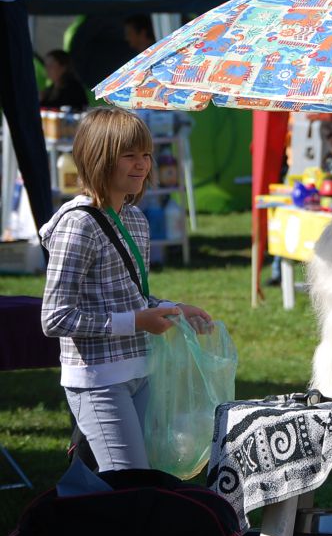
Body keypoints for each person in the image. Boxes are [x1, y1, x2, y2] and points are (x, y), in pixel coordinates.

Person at [40, 106, 212, 472]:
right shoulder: (78, 225)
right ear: (99, 159)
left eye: (146, 154)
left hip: (141, 371)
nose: (143, 164)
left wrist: (174, 308)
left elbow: (130, 295)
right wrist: (136, 322)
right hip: (98, 381)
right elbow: (55, 318)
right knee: (130, 485)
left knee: (146, 478)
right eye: (129, 155)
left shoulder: (134, 219)